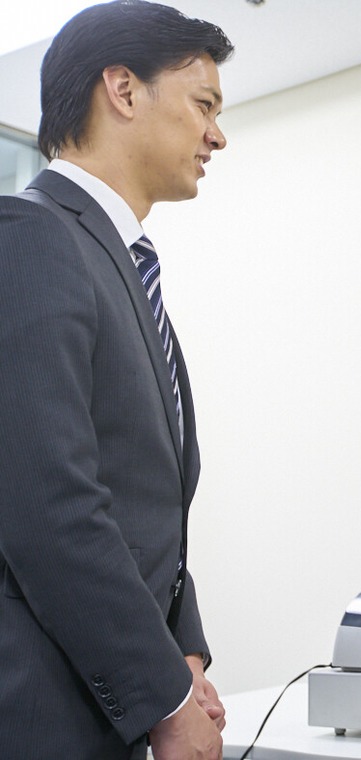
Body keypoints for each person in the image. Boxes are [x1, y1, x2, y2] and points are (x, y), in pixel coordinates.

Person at [0, 2, 234, 758]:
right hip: (44, 710)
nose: (217, 135)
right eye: (204, 104)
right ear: (124, 90)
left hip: (104, 705)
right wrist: (163, 698)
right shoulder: (31, 235)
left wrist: (184, 653)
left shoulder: (119, 263)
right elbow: (49, 503)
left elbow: (147, 502)